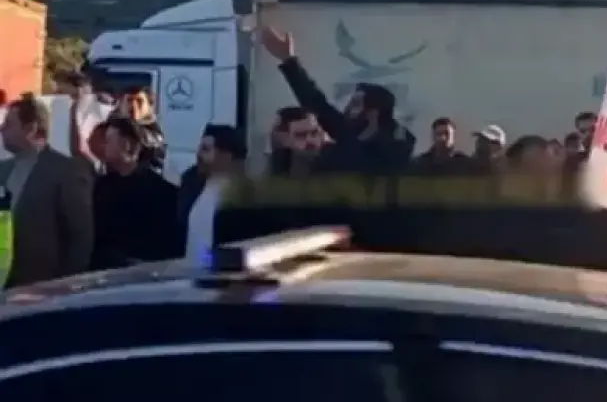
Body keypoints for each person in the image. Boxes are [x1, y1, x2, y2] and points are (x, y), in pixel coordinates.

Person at [259, 27, 415, 174]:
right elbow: (317, 103)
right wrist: (289, 61)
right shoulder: (351, 136)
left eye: (355, 104)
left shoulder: (394, 148)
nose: (347, 108)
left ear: (373, 114)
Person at [0, 92, 94, 288]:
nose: (2, 129)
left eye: (9, 124)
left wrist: (65, 284)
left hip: (41, 285)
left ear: (31, 128)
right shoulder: (4, 169)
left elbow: (80, 236)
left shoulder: (65, 171)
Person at [91, 117, 181, 269]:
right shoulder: (103, 185)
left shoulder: (159, 190)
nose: (104, 146)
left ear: (127, 145)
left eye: (109, 140)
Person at [185, 125, 246, 265]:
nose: (198, 155)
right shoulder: (195, 186)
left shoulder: (237, 196)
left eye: (206, 149)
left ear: (226, 156)